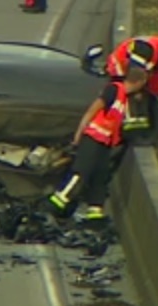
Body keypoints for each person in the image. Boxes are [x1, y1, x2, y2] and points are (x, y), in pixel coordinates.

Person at [49, 66, 149, 223]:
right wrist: (78, 135)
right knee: (82, 171)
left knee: (100, 176)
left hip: (106, 142)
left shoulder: (126, 99)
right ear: (140, 82)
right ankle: (56, 203)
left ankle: (95, 213)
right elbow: (92, 111)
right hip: (92, 137)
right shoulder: (113, 90)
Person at [106, 35, 158, 161]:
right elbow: (134, 72)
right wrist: (138, 91)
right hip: (121, 68)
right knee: (134, 99)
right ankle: (131, 134)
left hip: (142, 71)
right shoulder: (146, 49)